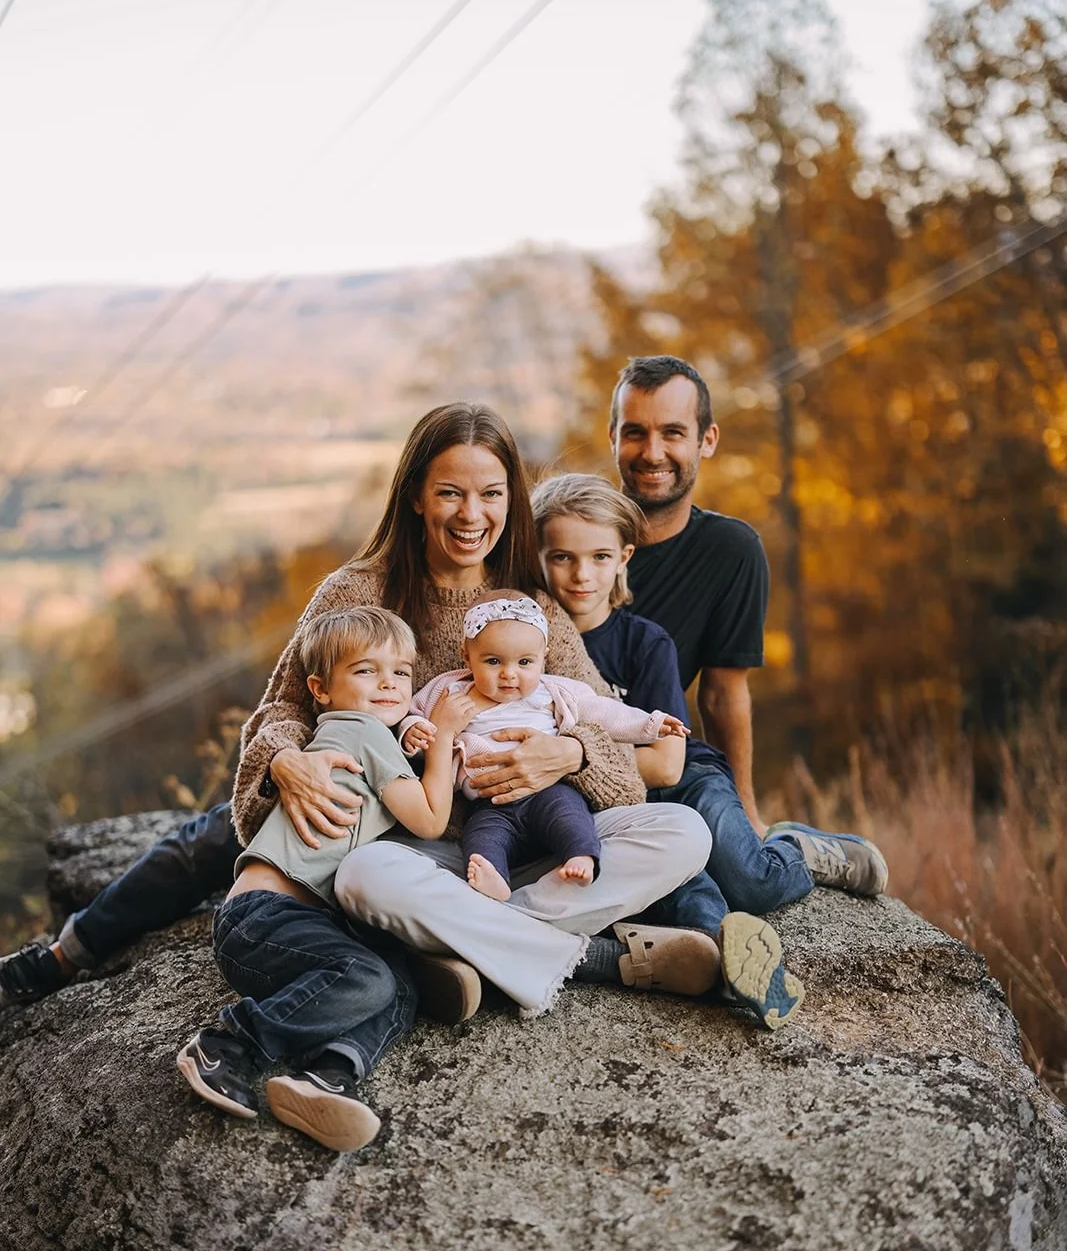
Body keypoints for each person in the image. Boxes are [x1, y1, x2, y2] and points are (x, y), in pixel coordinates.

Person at [2, 403, 716, 1024]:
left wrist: (575, 753)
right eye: (449, 493)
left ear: (511, 498)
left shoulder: (530, 609)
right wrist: (286, 762)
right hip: (390, 830)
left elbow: (614, 740)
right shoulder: (357, 589)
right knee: (236, 840)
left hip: (505, 836)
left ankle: (460, 940)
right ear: (413, 496)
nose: (472, 515)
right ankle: (69, 950)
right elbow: (279, 708)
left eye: (492, 494)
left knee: (683, 833)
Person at [178, 605, 477, 1152]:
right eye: (366, 671)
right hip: (264, 918)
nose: (389, 684)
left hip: (295, 926)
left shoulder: (359, 735)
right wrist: (444, 739)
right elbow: (431, 819)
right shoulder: (362, 732)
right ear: (320, 688)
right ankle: (230, 1044)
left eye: (402, 673)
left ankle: (326, 1076)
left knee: (398, 983)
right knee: (370, 978)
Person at [606, 354, 889, 898]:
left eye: (673, 432)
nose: (653, 452)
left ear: (706, 439)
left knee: (741, 874)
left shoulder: (730, 551)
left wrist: (748, 815)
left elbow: (723, 693)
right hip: (578, 763)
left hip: (672, 762)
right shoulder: (571, 540)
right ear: (613, 436)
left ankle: (791, 848)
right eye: (635, 432)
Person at [531, 473, 805, 1029]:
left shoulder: (645, 642)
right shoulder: (524, 645)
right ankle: (725, 954)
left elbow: (664, 763)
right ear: (535, 557)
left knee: (748, 877)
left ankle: (800, 850)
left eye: (599, 556)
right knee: (684, 881)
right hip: (614, 805)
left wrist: (570, 759)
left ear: (624, 557)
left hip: (685, 778)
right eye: (561, 557)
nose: (581, 575)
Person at [399, 591, 688, 902]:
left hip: (549, 790)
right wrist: (412, 731)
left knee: (570, 816)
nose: (510, 673)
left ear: (543, 657)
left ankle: (580, 855)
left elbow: (605, 713)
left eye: (525, 662)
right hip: (488, 805)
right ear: (467, 656)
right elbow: (413, 714)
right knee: (481, 840)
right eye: (493, 661)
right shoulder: (450, 691)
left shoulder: (553, 691)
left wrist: (651, 725)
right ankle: (493, 881)